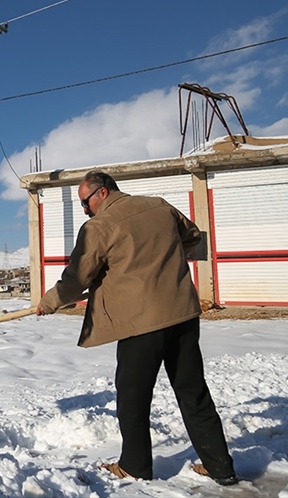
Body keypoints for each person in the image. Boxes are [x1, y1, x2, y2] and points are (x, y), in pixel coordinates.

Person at [35, 171, 238, 486]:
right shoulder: (159, 206)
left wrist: (48, 303)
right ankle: (220, 466)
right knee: (193, 391)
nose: (84, 210)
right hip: (182, 314)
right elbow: (193, 236)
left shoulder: (99, 227)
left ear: (101, 193)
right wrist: (166, 259)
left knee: (133, 397)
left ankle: (135, 466)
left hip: (141, 323)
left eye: (85, 202)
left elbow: (77, 278)